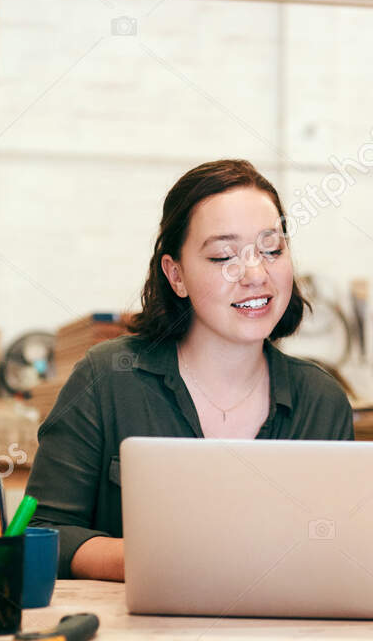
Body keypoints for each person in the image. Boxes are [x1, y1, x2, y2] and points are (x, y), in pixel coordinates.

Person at [26, 159, 355, 580]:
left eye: (272, 250)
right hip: (133, 637)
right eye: (223, 256)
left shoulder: (320, 401)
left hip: (279, 639)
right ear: (176, 275)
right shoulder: (107, 378)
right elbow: (41, 535)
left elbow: (351, 551)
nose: (256, 274)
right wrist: (158, 560)